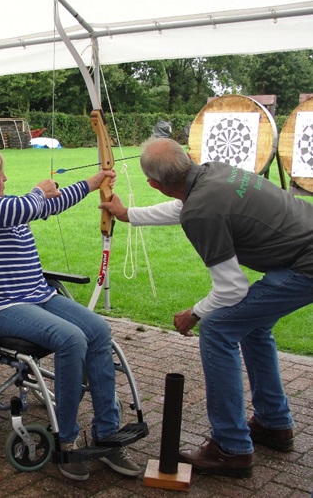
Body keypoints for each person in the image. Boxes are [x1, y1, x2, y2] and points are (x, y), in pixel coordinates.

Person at [100, 137, 313, 478]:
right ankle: (274, 424)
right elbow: (188, 207)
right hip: (304, 247)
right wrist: (128, 215)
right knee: (251, 324)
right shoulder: (212, 172)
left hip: (304, 265)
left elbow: (231, 288)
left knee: (218, 328)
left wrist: (195, 312)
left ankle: (231, 448)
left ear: (155, 185)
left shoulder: (201, 208)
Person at [0, 145, 140, 481]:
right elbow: (32, 203)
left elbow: (48, 204)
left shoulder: (1, 207)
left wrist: (94, 182)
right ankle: (65, 438)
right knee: (70, 338)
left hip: (37, 295)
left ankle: (107, 434)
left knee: (98, 331)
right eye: (1, 174)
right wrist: (38, 191)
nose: (5, 178)